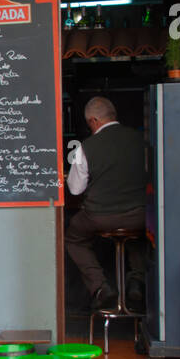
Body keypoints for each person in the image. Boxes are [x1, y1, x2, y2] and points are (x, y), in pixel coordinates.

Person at [65, 96, 147, 311]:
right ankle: (137, 280)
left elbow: (75, 189)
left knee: (73, 239)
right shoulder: (142, 140)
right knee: (140, 237)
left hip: (99, 217)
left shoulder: (87, 147)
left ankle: (100, 287)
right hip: (139, 215)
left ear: (93, 121)